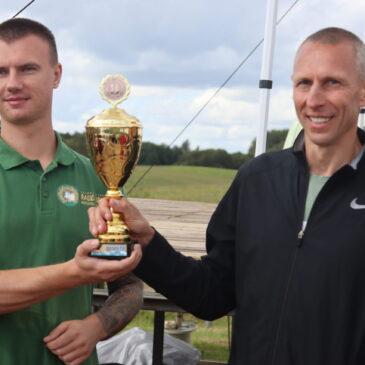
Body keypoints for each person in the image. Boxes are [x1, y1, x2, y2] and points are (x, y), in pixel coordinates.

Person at [90, 26, 365, 365]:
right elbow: (213, 294)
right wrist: (145, 241)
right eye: (303, 83)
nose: (314, 99)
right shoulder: (257, 180)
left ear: (363, 93)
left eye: (332, 82)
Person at [0, 18, 143, 365]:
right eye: (1, 71)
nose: (12, 83)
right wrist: (74, 273)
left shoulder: (98, 176)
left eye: (28, 68)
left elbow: (129, 284)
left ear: (56, 74)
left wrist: (96, 327)